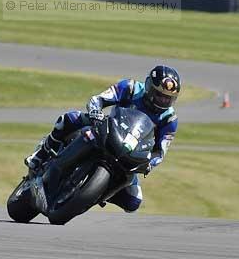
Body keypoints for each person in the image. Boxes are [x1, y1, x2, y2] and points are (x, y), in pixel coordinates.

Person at [25, 64, 181, 213]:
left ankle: (95, 193)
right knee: (68, 119)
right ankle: (40, 155)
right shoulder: (131, 88)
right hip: (108, 128)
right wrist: (95, 111)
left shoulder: (169, 119)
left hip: (131, 152)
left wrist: (148, 164)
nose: (164, 101)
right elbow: (98, 99)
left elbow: (160, 152)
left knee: (134, 202)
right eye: (160, 95)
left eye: (168, 98)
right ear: (149, 87)